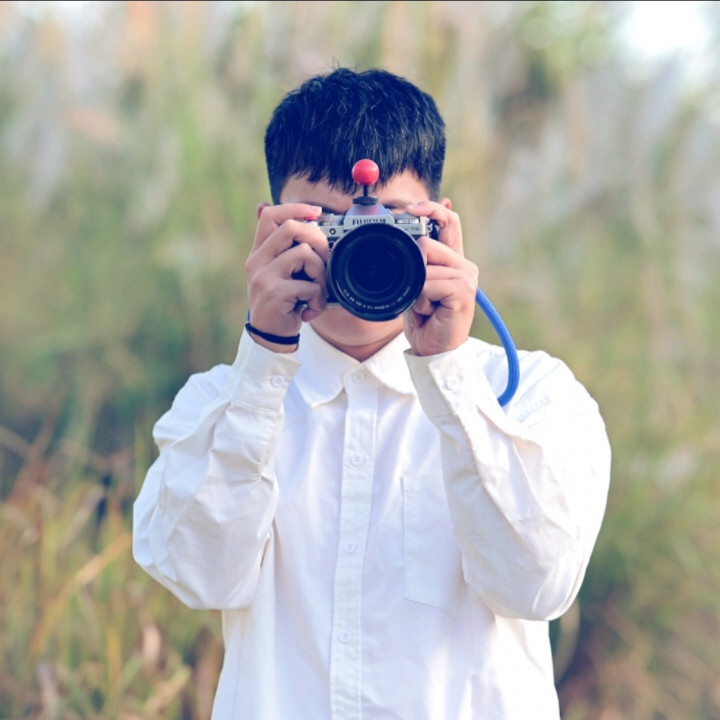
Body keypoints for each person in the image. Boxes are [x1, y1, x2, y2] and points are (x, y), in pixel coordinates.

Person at [132, 67, 611, 720]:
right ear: (269, 229)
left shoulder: (532, 397)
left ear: (441, 226)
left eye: (389, 222)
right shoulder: (218, 404)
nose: (357, 245)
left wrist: (448, 373)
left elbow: (536, 585)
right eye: (326, 224)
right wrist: (264, 355)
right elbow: (199, 575)